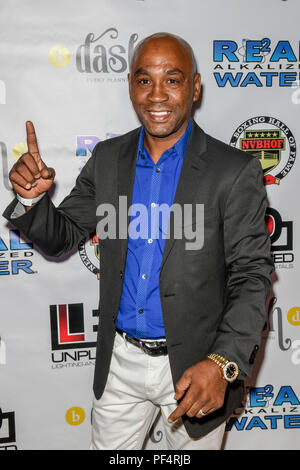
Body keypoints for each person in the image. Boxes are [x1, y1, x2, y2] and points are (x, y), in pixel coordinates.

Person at [3, 32, 273, 450]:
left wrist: (222, 363)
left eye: (173, 79)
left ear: (195, 87)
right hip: (120, 365)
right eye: (144, 80)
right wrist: (31, 198)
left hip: (195, 366)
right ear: (130, 85)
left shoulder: (233, 171)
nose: (157, 95)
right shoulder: (108, 159)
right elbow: (63, 237)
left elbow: (252, 274)